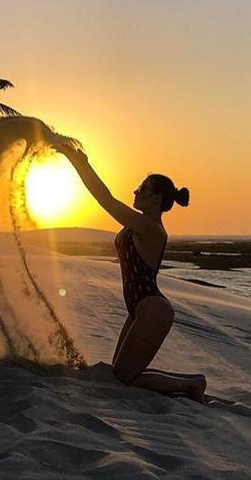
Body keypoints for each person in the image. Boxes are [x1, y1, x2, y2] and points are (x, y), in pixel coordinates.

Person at [54, 142, 206, 403]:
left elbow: (106, 200)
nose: (135, 191)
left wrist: (80, 163)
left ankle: (191, 384)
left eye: (143, 189)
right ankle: (190, 382)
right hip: (139, 308)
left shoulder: (151, 228)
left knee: (125, 378)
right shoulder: (141, 225)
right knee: (121, 374)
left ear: (156, 199)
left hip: (152, 310)